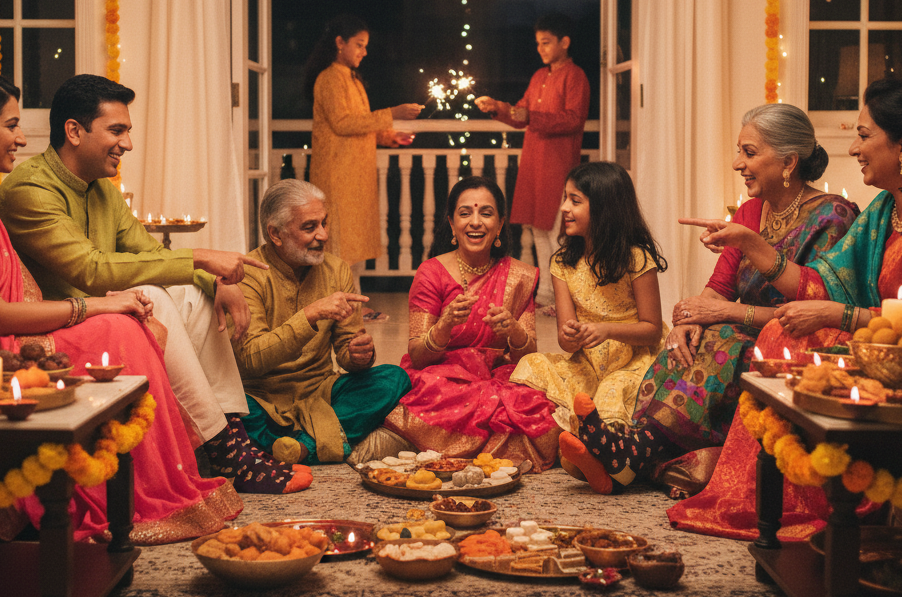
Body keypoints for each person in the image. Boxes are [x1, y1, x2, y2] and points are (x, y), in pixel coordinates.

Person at [0, 66, 249, 543]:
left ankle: (221, 441)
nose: (21, 138)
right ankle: (142, 490)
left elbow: (146, 253)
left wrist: (208, 275)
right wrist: (98, 308)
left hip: (20, 324)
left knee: (161, 305)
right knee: (127, 322)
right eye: (12, 124)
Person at [669, 78, 902, 540]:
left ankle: (802, 497)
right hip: (879, 346)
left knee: (777, 336)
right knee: (777, 334)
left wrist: (837, 317)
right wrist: (748, 242)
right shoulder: (886, 208)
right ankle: (764, 491)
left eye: (864, 136)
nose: (853, 148)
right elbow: (819, 284)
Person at [0, 74, 304, 495]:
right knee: (153, 296)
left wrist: (214, 282)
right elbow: (92, 271)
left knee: (192, 296)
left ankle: (231, 434)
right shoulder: (29, 190)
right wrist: (200, 257)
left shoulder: (101, 189)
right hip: (54, 325)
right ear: (74, 131)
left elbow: (142, 251)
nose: (128, 144)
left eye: (128, 132)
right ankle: (227, 450)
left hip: (104, 313)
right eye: (117, 131)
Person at [627, 104, 857, 497]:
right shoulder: (752, 210)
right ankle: (642, 448)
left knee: (723, 343)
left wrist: (723, 313)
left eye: (749, 153)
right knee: (686, 343)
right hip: (744, 332)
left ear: (788, 161)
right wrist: (690, 320)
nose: (737, 163)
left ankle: (637, 456)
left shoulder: (832, 216)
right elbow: (718, 287)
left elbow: (815, 310)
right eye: (740, 151)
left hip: (797, 344)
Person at [382, 176, 561, 470]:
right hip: (443, 376)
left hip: (498, 374)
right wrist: (444, 326)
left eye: (486, 213)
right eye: (465, 213)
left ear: (501, 224)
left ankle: (457, 450)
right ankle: (507, 452)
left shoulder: (519, 276)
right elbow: (417, 355)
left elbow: (529, 359)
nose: (475, 222)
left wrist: (513, 331)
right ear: (451, 224)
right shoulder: (431, 273)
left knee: (537, 400)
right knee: (439, 393)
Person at [234, 178, 411, 464]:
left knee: (393, 379)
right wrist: (310, 315)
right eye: (310, 227)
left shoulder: (337, 270)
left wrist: (359, 356)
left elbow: (347, 351)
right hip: (263, 398)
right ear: (275, 234)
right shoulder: (248, 275)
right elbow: (252, 359)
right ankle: (325, 440)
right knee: (232, 410)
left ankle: (299, 447)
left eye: (324, 223)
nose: (323, 235)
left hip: (320, 392)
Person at [509, 161, 666, 478]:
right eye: (565, 198)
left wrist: (606, 329)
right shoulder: (563, 264)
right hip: (588, 362)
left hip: (634, 359)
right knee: (531, 365)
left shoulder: (636, 258)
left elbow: (651, 330)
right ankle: (585, 452)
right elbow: (566, 344)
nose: (564, 208)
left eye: (575, 200)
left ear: (606, 208)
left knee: (610, 391)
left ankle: (607, 463)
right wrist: (572, 335)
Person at [475, 13, 590, 307]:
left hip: (558, 164)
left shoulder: (575, 76)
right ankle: (548, 294)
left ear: (564, 42)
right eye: (538, 43)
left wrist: (529, 116)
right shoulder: (540, 77)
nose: (540, 48)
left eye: (546, 42)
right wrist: (498, 107)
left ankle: (567, 299)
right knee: (539, 231)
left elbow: (573, 120)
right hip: (535, 162)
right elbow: (520, 114)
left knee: (558, 233)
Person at [305, 14, 423, 301]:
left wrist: (388, 136)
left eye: (365, 45)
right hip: (337, 173)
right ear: (339, 43)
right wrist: (391, 114)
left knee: (353, 247)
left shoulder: (352, 79)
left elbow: (360, 123)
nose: (364, 52)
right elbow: (342, 124)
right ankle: (340, 305)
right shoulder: (329, 78)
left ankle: (352, 302)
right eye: (359, 45)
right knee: (339, 244)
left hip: (356, 174)